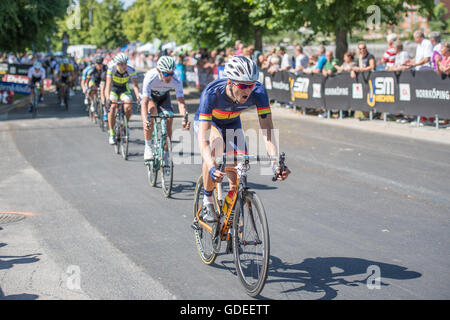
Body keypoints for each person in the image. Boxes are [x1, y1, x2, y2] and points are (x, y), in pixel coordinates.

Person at [193, 56, 290, 223]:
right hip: (211, 123)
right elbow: (204, 139)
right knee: (217, 145)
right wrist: (210, 165)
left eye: (251, 85)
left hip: (232, 123)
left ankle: (232, 220)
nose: (248, 90)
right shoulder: (212, 93)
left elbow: (267, 130)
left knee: (239, 168)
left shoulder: (258, 92)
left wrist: (275, 163)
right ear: (230, 82)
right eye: (243, 85)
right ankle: (207, 199)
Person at [141, 56, 190, 161]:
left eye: (171, 73)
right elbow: (144, 102)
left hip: (164, 97)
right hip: (151, 97)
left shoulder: (176, 79)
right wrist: (145, 119)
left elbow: (181, 101)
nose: (169, 77)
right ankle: (148, 147)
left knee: (169, 119)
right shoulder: (150, 76)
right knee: (152, 112)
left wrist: (184, 119)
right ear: (159, 71)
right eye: (166, 74)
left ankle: (166, 153)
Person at [105, 53, 140, 145]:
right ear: (116, 64)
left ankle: (125, 125)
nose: (124, 66)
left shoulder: (130, 69)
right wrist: (107, 98)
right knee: (112, 107)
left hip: (124, 89)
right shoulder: (111, 69)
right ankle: (112, 133)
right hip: (114, 89)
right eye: (121, 64)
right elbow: (108, 85)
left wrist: (138, 97)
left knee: (128, 106)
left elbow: (135, 85)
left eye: (125, 63)